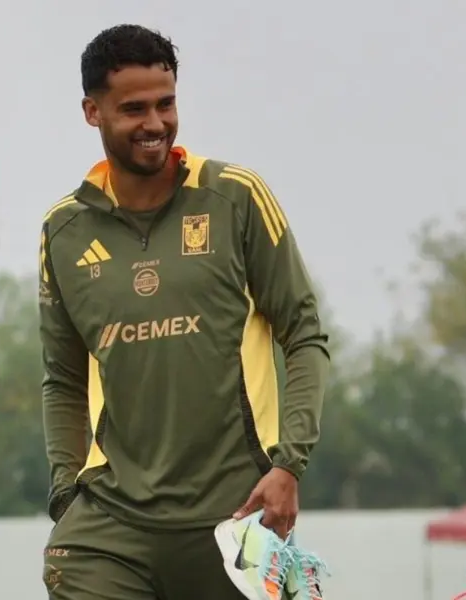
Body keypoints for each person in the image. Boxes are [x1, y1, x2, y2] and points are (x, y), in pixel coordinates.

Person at [38, 24, 331, 600]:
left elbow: (304, 335)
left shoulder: (235, 197)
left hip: (235, 519)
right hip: (110, 524)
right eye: (134, 109)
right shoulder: (63, 230)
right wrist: (65, 491)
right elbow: (63, 379)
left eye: (166, 104)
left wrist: (288, 465)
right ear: (93, 112)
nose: (155, 123)